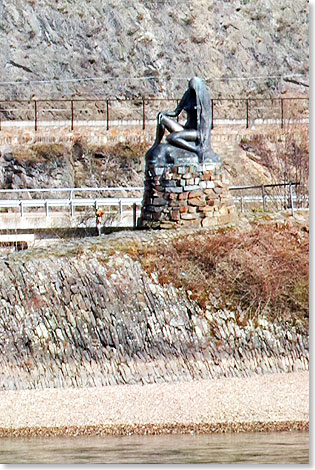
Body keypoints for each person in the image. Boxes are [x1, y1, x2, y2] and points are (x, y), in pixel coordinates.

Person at [152, 76, 216, 163]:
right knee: (162, 118)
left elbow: (207, 123)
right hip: (186, 129)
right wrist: (165, 113)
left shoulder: (203, 100)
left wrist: (203, 139)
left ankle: (196, 149)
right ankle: (156, 143)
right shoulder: (188, 95)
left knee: (171, 137)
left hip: (197, 132)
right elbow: (176, 112)